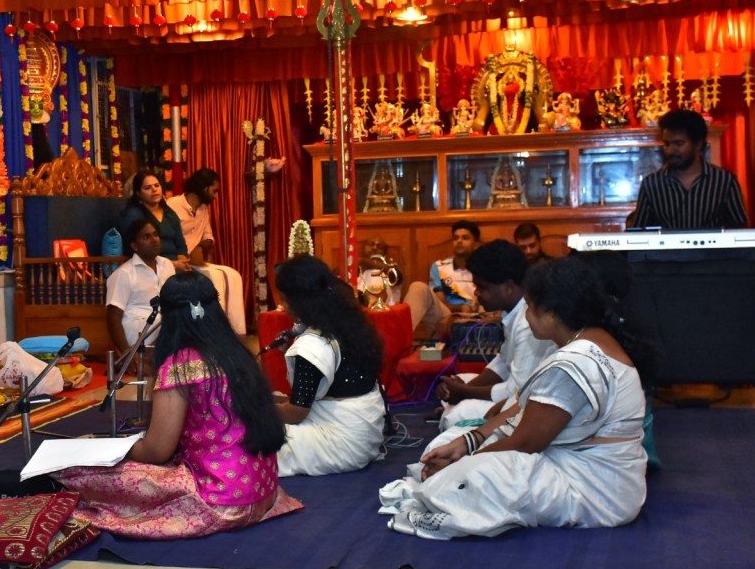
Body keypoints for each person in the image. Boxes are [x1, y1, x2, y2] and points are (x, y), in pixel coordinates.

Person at [380, 256, 658, 540]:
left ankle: (438, 491)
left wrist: (461, 462)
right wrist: (466, 443)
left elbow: (524, 443)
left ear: (551, 312)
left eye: (529, 307)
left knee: (479, 475)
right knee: (452, 440)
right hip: (585, 470)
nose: (525, 316)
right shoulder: (586, 341)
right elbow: (520, 409)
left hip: (594, 490)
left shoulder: (574, 362)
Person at [54, 272, 302, 538]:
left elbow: (156, 451)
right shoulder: (238, 353)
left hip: (219, 501)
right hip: (265, 494)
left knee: (82, 472)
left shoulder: (180, 366)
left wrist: (116, 450)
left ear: (168, 317)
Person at [273, 255, 386, 477]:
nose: (284, 307)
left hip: (340, 444)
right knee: (273, 399)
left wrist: (257, 411)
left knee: (248, 435)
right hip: (367, 436)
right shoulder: (349, 324)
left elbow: (296, 413)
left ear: (299, 300)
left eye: (284, 299)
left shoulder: (311, 345)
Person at [435, 240, 557, 430]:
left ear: (508, 286)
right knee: (462, 379)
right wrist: (462, 389)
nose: (476, 293)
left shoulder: (529, 322)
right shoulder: (513, 311)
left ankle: (452, 410)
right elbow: (502, 363)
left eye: (482, 287)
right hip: (514, 390)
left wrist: (464, 393)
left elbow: (515, 392)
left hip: (529, 402)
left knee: (455, 417)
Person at [630, 109, 747, 230]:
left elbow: (739, 229)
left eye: (679, 143)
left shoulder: (724, 181)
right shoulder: (651, 184)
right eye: (667, 144)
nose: (670, 150)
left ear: (698, 144)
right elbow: (639, 231)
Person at [166, 168, 247, 335]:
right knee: (215, 277)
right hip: (178, 262)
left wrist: (201, 247)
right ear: (204, 187)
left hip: (196, 260)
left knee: (233, 276)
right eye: (214, 191)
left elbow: (208, 236)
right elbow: (167, 237)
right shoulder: (173, 205)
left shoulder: (203, 209)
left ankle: (237, 331)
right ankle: (215, 331)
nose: (215, 196)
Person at [105, 218, 176, 364]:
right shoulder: (124, 273)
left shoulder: (167, 265)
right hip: (137, 330)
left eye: (155, 234)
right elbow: (113, 317)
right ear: (134, 245)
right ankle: (147, 361)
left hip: (164, 324)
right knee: (174, 323)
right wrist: (125, 352)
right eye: (146, 237)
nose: (154, 240)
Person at [401, 220, 481, 338]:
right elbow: (440, 301)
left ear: (476, 244)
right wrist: (458, 310)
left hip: (476, 321)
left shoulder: (483, 267)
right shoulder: (439, 267)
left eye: (465, 238)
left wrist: (467, 311)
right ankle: (399, 339)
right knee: (417, 286)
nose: (459, 241)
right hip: (445, 318)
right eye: (456, 238)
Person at [118, 171, 191, 269]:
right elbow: (142, 251)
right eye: (147, 188)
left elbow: (180, 244)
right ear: (138, 193)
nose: (154, 190)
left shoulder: (169, 213)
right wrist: (174, 264)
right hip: (148, 267)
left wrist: (182, 261)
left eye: (157, 185)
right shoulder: (133, 215)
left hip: (175, 266)